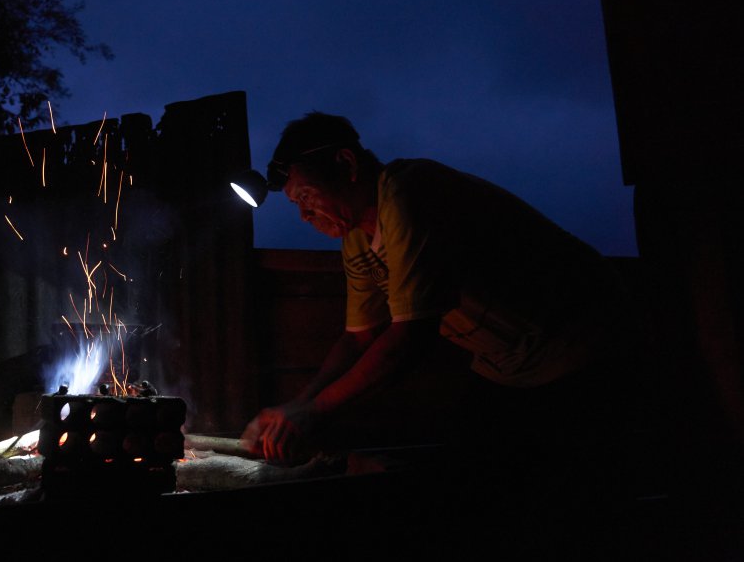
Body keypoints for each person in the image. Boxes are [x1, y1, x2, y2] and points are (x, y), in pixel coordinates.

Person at [240, 112, 640, 484]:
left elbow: (410, 337)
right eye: (296, 205)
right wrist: (296, 407)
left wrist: (314, 412)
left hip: (581, 342)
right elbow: (358, 338)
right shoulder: (357, 239)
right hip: (507, 365)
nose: (304, 216)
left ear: (346, 165)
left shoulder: (408, 190)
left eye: (307, 197)